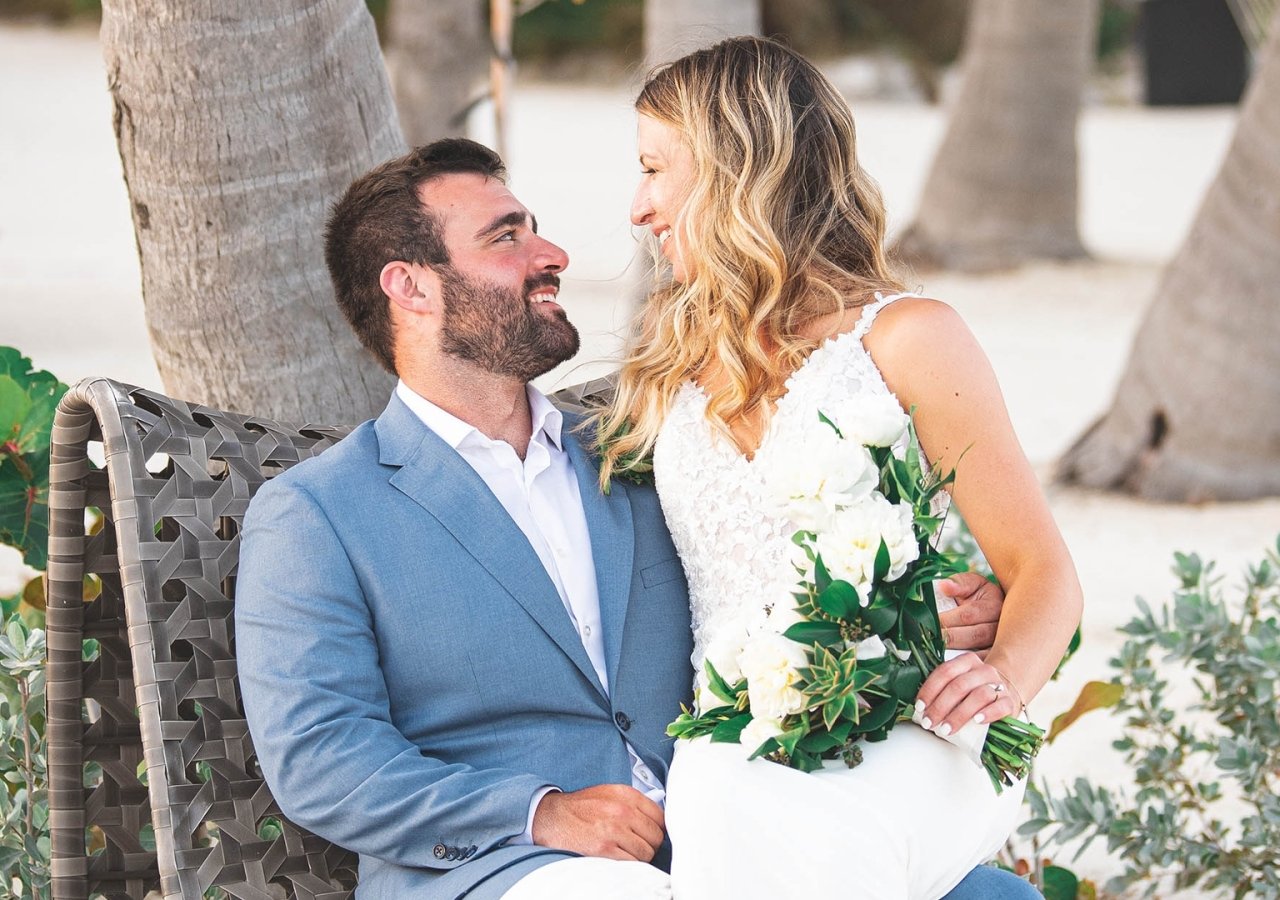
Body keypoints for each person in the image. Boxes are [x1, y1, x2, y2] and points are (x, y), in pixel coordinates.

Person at [236, 139, 1034, 899]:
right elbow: (321, 755)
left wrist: (900, 610)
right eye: (505, 238)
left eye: (537, 230)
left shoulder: (643, 449)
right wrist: (537, 810)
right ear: (409, 287)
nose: (552, 256)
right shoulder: (318, 515)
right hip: (505, 870)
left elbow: (763, 576)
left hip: (736, 832)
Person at [595, 36, 1084, 899]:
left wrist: (998, 674)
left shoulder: (907, 339)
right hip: (729, 748)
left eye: (654, 170)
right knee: (734, 800)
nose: (638, 207)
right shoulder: (666, 368)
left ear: (736, 169)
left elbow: (1042, 570)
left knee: (800, 835)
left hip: (900, 733)